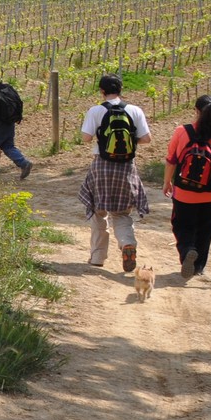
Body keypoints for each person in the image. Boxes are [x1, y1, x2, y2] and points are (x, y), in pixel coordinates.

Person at [79, 73, 153, 274]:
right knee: (121, 213)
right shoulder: (135, 110)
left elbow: (86, 137)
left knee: (98, 212)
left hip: (101, 166)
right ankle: (127, 243)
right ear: (121, 89)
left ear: (102, 91)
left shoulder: (96, 111)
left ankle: (97, 257)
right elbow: (146, 139)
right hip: (126, 167)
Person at [162, 94, 211, 280]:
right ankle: (198, 266)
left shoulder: (182, 132)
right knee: (205, 229)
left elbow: (171, 160)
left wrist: (167, 182)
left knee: (182, 225)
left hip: (185, 192)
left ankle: (187, 251)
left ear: (196, 111)